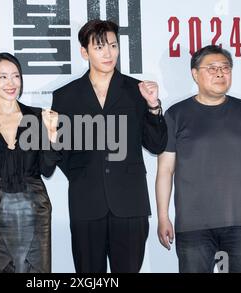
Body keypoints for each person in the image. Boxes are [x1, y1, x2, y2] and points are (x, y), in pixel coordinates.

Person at [51, 19, 168, 273]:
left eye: (113, 46)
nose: (108, 53)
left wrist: (153, 106)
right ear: (85, 52)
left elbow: (157, 145)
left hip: (130, 203)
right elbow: (59, 151)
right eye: (100, 47)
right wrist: (80, 173)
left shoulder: (137, 90)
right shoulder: (65, 96)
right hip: (86, 203)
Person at [155, 45, 241, 273]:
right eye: (211, 68)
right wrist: (163, 216)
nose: (220, 73)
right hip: (193, 227)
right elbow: (165, 170)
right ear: (195, 74)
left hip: (238, 225)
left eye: (225, 68)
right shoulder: (176, 114)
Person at [0, 53, 59, 273]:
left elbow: (47, 169)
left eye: (15, 76)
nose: (11, 83)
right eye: (2, 77)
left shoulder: (38, 117)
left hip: (34, 208)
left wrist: (52, 134)